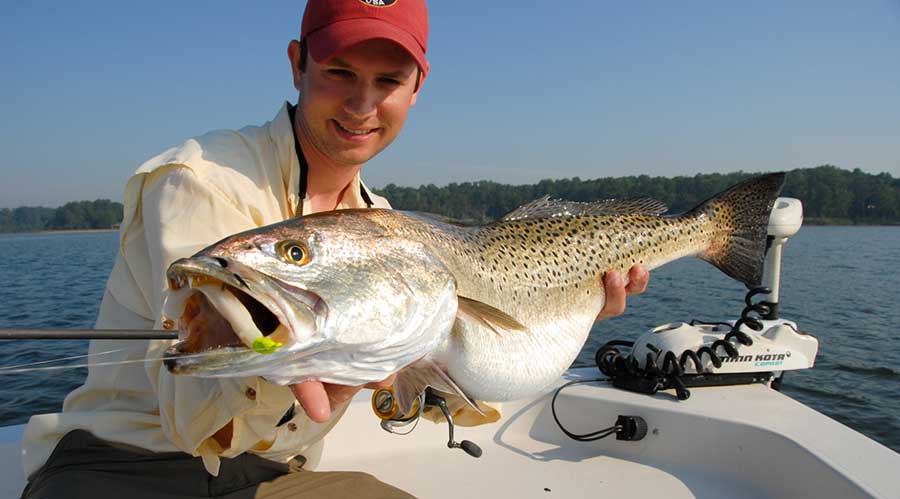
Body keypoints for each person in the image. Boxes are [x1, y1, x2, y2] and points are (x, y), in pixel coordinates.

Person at [19, 1, 648, 497]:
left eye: (388, 80)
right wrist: (343, 376)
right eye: (339, 73)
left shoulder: (384, 226)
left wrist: (579, 305)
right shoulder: (203, 181)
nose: (362, 104)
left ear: (417, 87)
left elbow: (442, 375)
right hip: (119, 468)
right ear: (298, 65)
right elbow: (198, 420)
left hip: (275, 476)